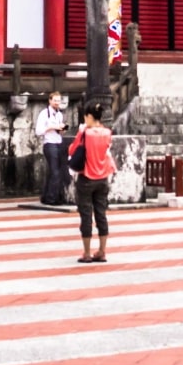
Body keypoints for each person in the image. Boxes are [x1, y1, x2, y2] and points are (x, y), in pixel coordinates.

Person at [68, 102, 114, 264]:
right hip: (103, 178)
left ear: (88, 116)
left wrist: (80, 132)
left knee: (86, 215)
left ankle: (87, 253)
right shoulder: (107, 132)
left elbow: (72, 150)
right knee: (101, 214)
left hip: (87, 177)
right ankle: (102, 250)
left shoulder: (85, 133)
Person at [35, 92, 69, 207]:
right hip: (49, 144)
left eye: (59, 101)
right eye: (55, 100)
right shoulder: (44, 114)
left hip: (58, 142)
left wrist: (62, 129)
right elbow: (39, 131)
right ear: (50, 101)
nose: (57, 103)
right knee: (55, 172)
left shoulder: (59, 114)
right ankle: (52, 198)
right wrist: (52, 127)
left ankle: (47, 196)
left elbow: (59, 130)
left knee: (54, 171)